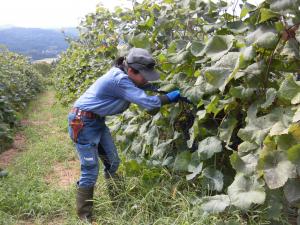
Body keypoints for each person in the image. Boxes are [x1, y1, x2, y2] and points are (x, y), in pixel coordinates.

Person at [68, 47, 180, 222]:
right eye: (143, 75)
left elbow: (146, 86)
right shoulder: (120, 80)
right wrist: (170, 97)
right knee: (90, 170)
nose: (145, 80)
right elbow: (149, 104)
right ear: (130, 70)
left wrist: (167, 87)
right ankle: (85, 216)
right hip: (82, 123)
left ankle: (119, 202)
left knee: (113, 162)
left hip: (96, 121)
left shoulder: (127, 76)